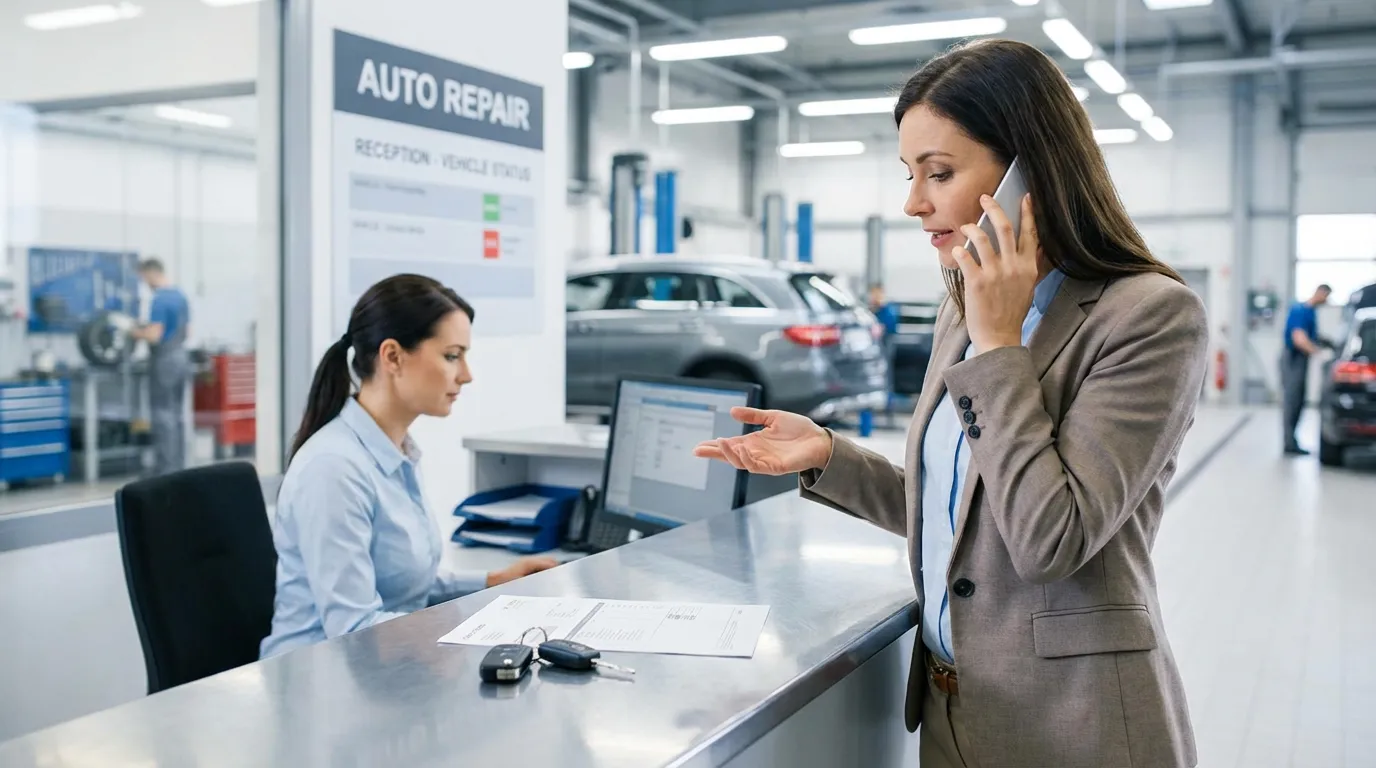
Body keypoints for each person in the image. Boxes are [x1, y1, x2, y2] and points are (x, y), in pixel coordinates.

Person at [695, 39, 1208, 768]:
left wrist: (1001, 346)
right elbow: (963, 512)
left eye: (938, 173)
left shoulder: (1149, 318)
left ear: (1028, 172)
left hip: (1074, 725)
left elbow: (1047, 540)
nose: (913, 202)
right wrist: (829, 456)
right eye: (910, 175)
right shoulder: (961, 306)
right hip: (952, 712)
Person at [260, 274, 557, 659]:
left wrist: (493, 582)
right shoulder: (333, 469)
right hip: (317, 684)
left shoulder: (396, 451)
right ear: (393, 357)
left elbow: (407, 587)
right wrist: (479, 622)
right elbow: (353, 631)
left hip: (380, 672)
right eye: (452, 356)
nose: (466, 375)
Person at [132, 258, 191, 476]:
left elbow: (155, 335)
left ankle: (165, 470)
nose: (144, 283)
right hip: (181, 358)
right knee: (176, 414)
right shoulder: (180, 296)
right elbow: (188, 331)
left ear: (151, 273)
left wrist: (134, 332)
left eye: (143, 278)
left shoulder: (159, 299)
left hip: (164, 361)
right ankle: (178, 466)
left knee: (162, 415)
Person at [1280, 283, 1333, 455]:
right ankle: (1289, 444)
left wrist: (1328, 344)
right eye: (1326, 297)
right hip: (1293, 358)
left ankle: (1292, 440)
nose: (1326, 301)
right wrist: (1318, 353)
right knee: (1292, 400)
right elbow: (1299, 339)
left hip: (1301, 360)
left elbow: (1313, 336)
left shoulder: (1310, 312)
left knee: (1299, 400)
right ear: (1320, 292)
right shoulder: (1300, 310)